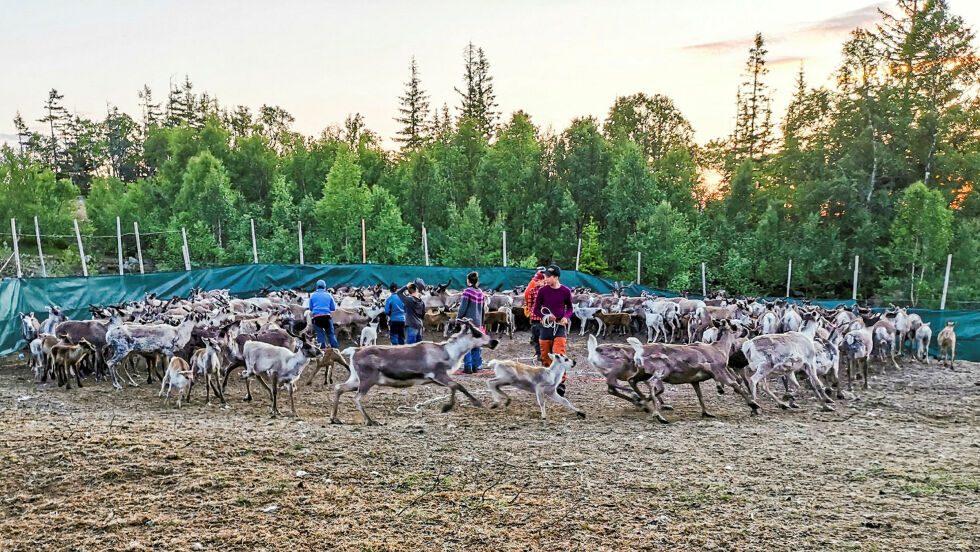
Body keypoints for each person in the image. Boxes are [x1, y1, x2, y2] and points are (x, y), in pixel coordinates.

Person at [532, 264, 573, 396]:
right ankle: (548, 381)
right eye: (545, 277)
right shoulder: (543, 291)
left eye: (548, 277)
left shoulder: (566, 291)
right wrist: (545, 316)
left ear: (556, 277)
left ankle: (560, 383)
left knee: (559, 353)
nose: (546, 279)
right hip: (545, 326)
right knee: (545, 355)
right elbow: (536, 309)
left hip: (560, 326)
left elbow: (570, 308)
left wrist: (566, 317)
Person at [456, 271, 486, 374]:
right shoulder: (481, 293)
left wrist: (458, 318)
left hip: (468, 322)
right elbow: (483, 310)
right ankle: (475, 366)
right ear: (477, 281)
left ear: (468, 281)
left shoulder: (467, 292)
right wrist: (481, 322)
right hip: (478, 323)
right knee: (476, 345)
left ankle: (467, 367)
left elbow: (463, 307)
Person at [523, 267, 547, 362]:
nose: (535, 281)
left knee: (542, 337)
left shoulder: (546, 288)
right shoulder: (533, 289)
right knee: (538, 336)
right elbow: (529, 301)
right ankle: (539, 354)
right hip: (537, 317)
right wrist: (530, 309)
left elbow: (526, 295)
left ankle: (543, 353)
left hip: (544, 317)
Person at [309, 279, 339, 349]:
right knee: (331, 334)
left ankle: (322, 351)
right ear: (325, 287)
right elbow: (333, 308)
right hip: (327, 318)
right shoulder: (329, 295)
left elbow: (311, 308)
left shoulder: (312, 295)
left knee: (320, 335)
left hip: (317, 318)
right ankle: (335, 350)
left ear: (316, 287)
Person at [399, 280, 426, 344]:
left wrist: (406, 286)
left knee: (411, 348)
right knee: (419, 347)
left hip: (411, 326)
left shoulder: (408, 300)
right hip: (419, 326)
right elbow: (422, 315)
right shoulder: (422, 302)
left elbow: (399, 293)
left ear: (416, 289)